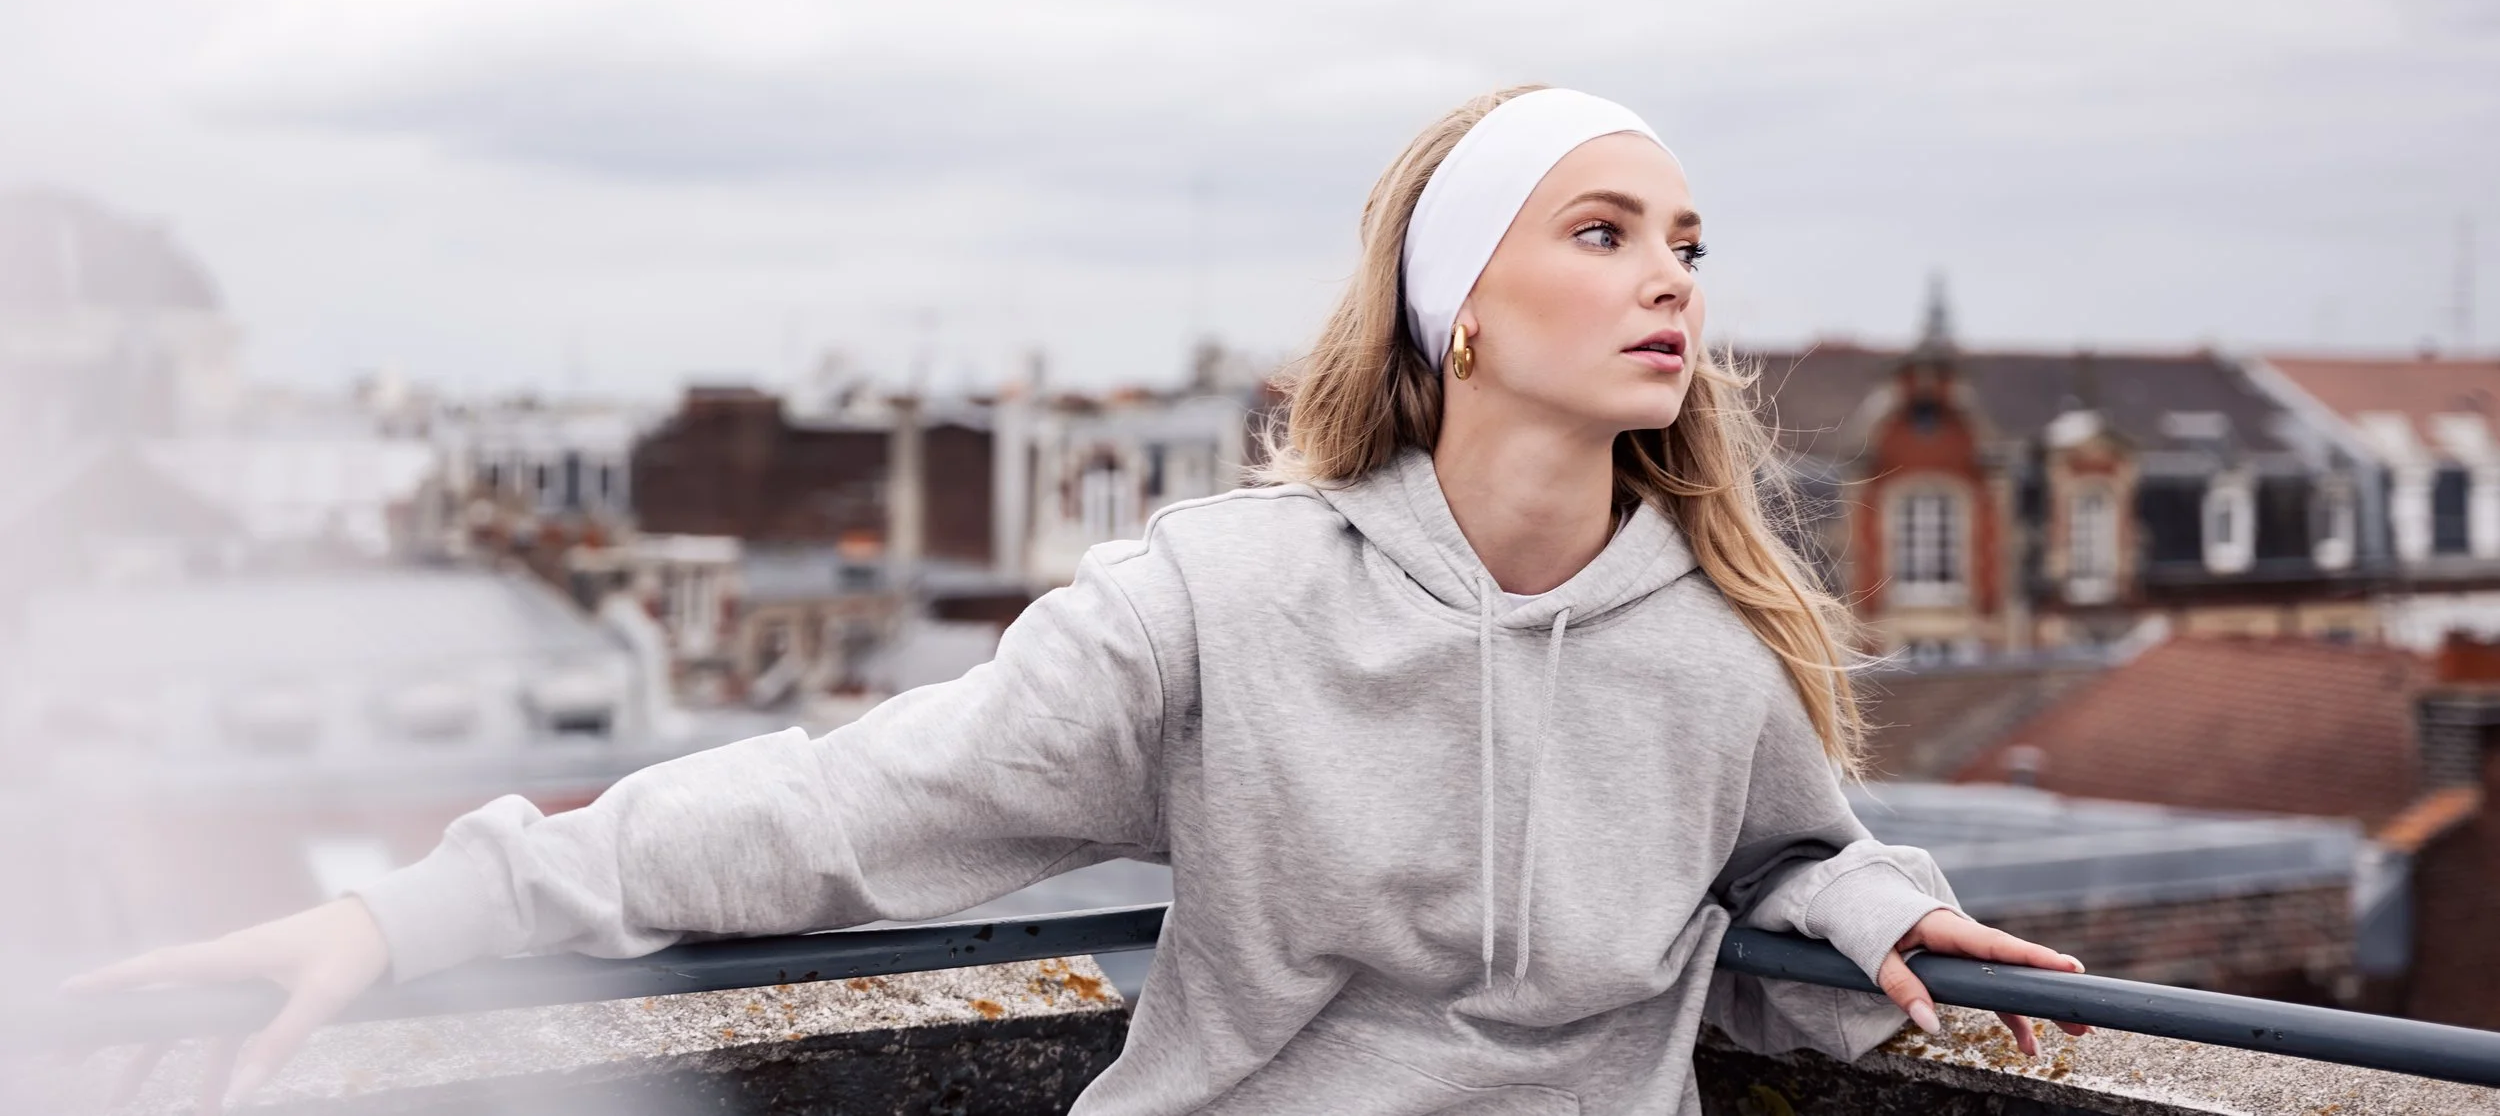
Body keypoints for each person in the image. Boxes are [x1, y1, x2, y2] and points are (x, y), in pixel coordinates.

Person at [70, 85, 2088, 1114]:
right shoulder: (1221, 599)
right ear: (1459, 310)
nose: (1669, 279)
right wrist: (410, 910)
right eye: (1603, 230)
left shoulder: (1712, 645)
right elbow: (846, 808)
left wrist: (1864, 899)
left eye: (1687, 242)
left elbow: (1776, 866)